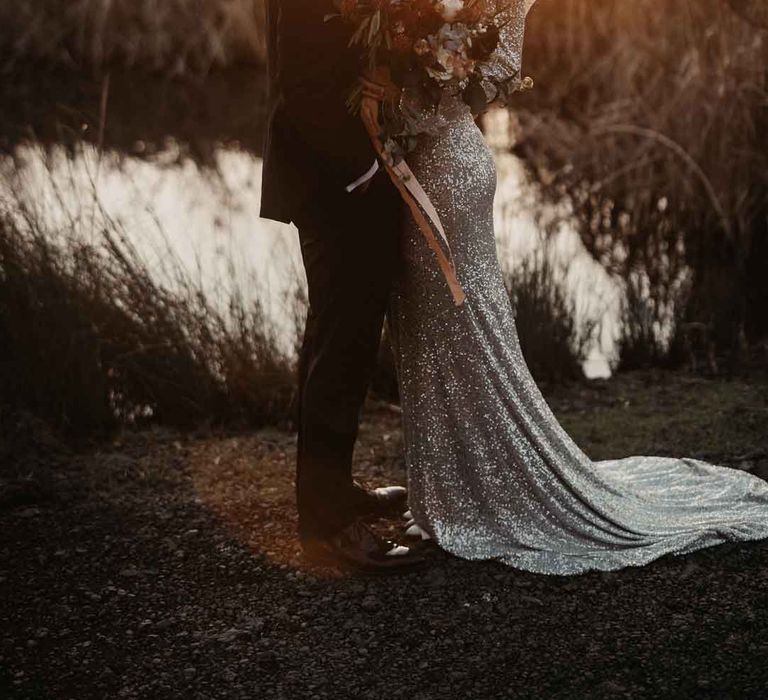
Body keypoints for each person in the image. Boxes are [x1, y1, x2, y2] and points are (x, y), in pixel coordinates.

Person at [378, 0, 768, 575]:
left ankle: (484, 497)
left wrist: (428, 83)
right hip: (427, 165)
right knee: (434, 330)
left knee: (462, 328)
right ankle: (448, 494)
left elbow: (496, 67)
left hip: (443, 169)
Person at [259, 0, 424, 572]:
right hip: (333, 179)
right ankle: (328, 530)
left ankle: (332, 492)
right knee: (341, 344)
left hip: (353, 170)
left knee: (342, 337)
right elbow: (300, 80)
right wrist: (363, 170)